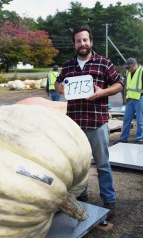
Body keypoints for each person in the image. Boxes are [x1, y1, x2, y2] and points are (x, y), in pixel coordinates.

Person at [55, 26, 123, 221]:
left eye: (85, 40)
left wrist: (102, 92)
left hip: (97, 122)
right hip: (74, 125)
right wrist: (59, 88)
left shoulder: (103, 63)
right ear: (75, 44)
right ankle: (82, 194)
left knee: (102, 164)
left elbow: (119, 84)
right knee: (79, 165)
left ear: (91, 42)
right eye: (78, 41)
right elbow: (58, 83)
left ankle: (109, 200)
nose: (82, 44)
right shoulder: (68, 66)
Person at [120, 58, 143, 144]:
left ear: (134, 65)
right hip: (130, 100)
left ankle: (139, 138)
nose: (127, 69)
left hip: (140, 99)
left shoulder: (142, 71)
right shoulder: (128, 72)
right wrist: (125, 97)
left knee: (140, 121)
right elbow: (126, 85)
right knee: (126, 119)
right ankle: (123, 138)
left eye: (128, 67)